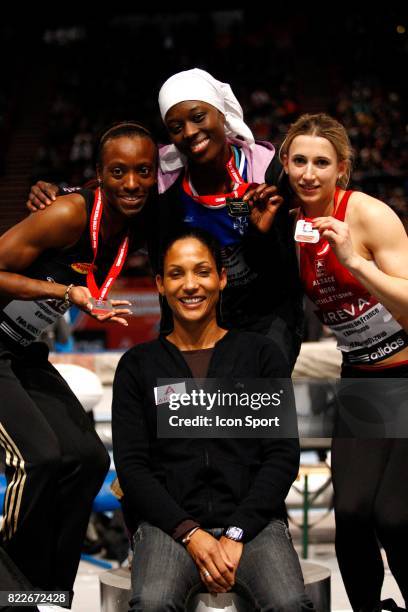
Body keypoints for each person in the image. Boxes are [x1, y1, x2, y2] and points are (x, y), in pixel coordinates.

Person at [27, 68, 304, 371]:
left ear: (222, 115)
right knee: (183, 415)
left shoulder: (269, 172)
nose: (189, 131)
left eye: (198, 117)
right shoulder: (162, 181)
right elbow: (109, 190)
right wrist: (59, 192)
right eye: (176, 126)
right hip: (187, 323)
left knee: (254, 409)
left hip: (266, 319)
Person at [112, 227, 314, 612]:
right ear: (160, 283)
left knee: (290, 604)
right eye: (177, 274)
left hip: (254, 527)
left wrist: (237, 532)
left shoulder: (260, 356)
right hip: (168, 528)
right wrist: (190, 533)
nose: (191, 285)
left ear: (221, 278)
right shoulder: (138, 366)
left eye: (202, 271)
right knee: (151, 604)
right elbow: (133, 468)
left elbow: (282, 455)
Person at [0, 121, 157, 605]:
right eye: (118, 172)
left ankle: (48, 594)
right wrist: (63, 291)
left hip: (21, 348)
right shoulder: (70, 213)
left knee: (88, 459)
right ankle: (10, 588)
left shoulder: (132, 223)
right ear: (99, 175)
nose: (131, 183)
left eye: (142, 172)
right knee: (39, 458)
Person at [278, 113, 408, 611]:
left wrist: (356, 262)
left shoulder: (369, 216)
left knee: (395, 518)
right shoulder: (292, 227)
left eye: (322, 162)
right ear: (286, 164)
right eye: (300, 160)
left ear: (342, 169)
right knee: (352, 513)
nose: (309, 173)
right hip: (361, 376)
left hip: (405, 375)